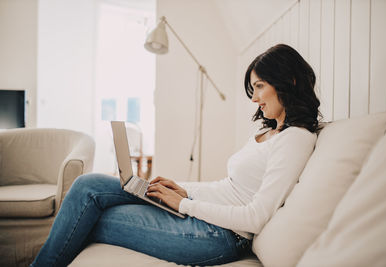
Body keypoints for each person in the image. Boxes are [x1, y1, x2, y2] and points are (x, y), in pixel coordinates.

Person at [31, 44, 321, 266]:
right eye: (253, 88)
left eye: (259, 87)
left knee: (92, 216)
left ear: (289, 82)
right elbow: (230, 188)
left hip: (221, 236)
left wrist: (183, 204)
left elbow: (255, 217)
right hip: (203, 213)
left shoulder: (295, 139)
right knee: (88, 185)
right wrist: (183, 188)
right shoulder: (271, 132)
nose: (254, 98)